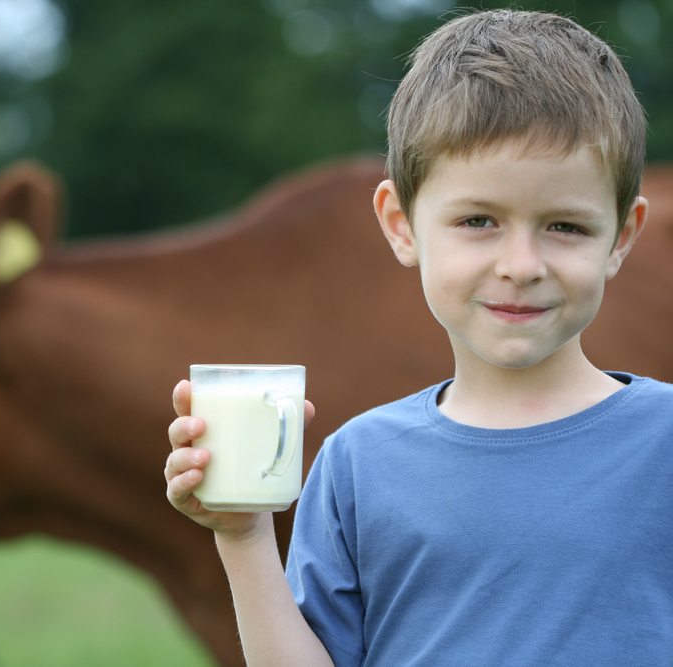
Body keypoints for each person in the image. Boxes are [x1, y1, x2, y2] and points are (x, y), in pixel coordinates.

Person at [164, 9, 673, 666]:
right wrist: (243, 534)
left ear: (622, 237)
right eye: (479, 219)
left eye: (565, 227)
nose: (521, 264)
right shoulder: (356, 465)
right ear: (401, 225)